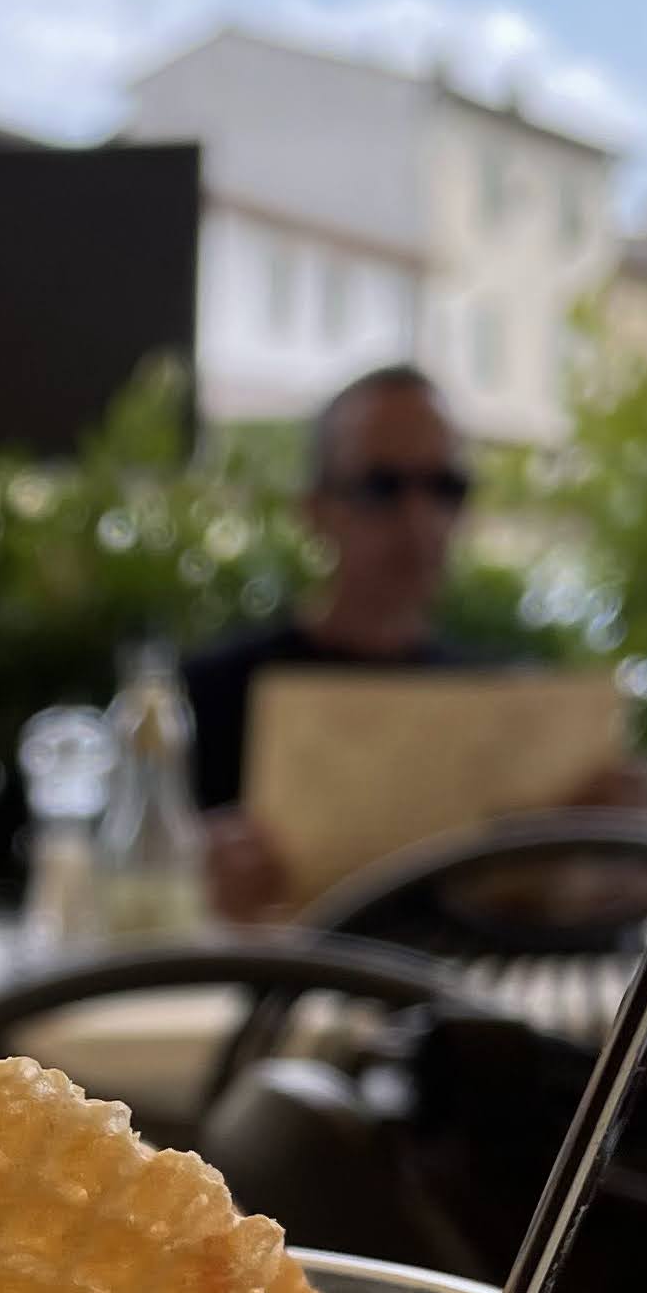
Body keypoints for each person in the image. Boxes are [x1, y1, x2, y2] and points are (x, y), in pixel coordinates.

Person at [182, 365, 489, 926]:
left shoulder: (500, 700)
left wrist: (601, 856)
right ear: (314, 509)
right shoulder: (205, 699)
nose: (419, 521)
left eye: (446, 488)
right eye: (382, 488)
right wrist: (181, 876)